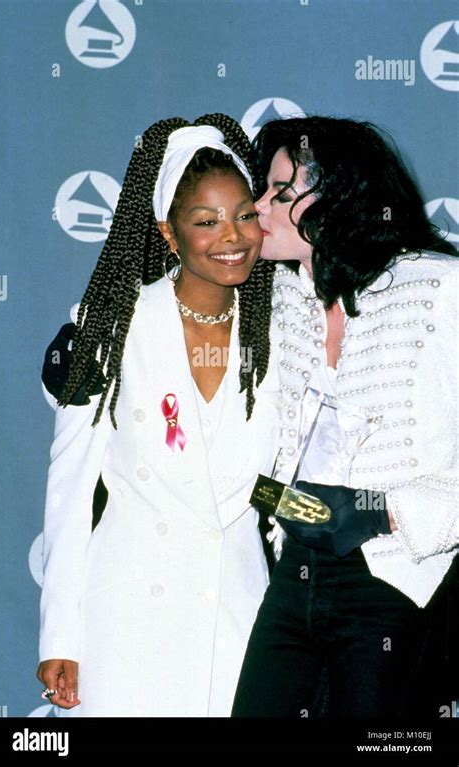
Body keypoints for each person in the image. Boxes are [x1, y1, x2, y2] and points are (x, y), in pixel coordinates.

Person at [36, 113, 281, 717]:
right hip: (127, 624)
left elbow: (285, 483)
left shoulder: (283, 328)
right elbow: (70, 487)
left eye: (245, 214)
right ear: (167, 233)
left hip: (240, 613)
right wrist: (59, 637)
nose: (233, 236)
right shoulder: (114, 326)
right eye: (206, 221)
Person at [231, 116, 459, 718]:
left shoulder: (439, 290)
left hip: (393, 576)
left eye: (282, 192)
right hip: (295, 566)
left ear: (343, 198)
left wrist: (375, 511)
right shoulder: (285, 295)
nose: (259, 207)